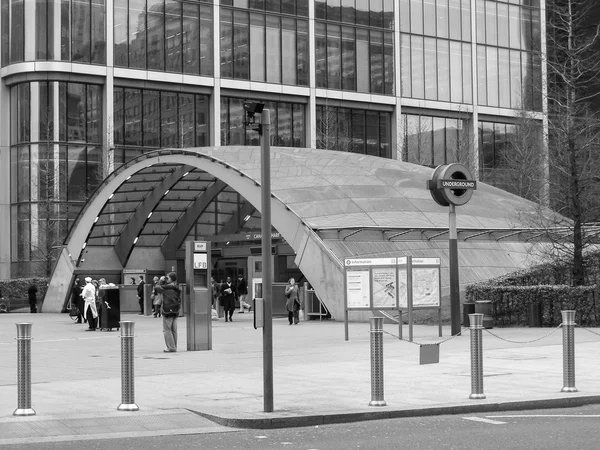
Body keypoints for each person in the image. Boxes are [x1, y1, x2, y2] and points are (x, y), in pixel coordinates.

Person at [155, 272, 180, 352]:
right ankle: (174, 346)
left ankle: (171, 347)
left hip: (167, 310)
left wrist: (161, 280)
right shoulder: (177, 287)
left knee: (167, 330)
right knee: (174, 330)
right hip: (176, 310)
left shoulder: (166, 287)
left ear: (171, 279)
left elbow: (156, 288)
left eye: (167, 278)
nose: (166, 279)